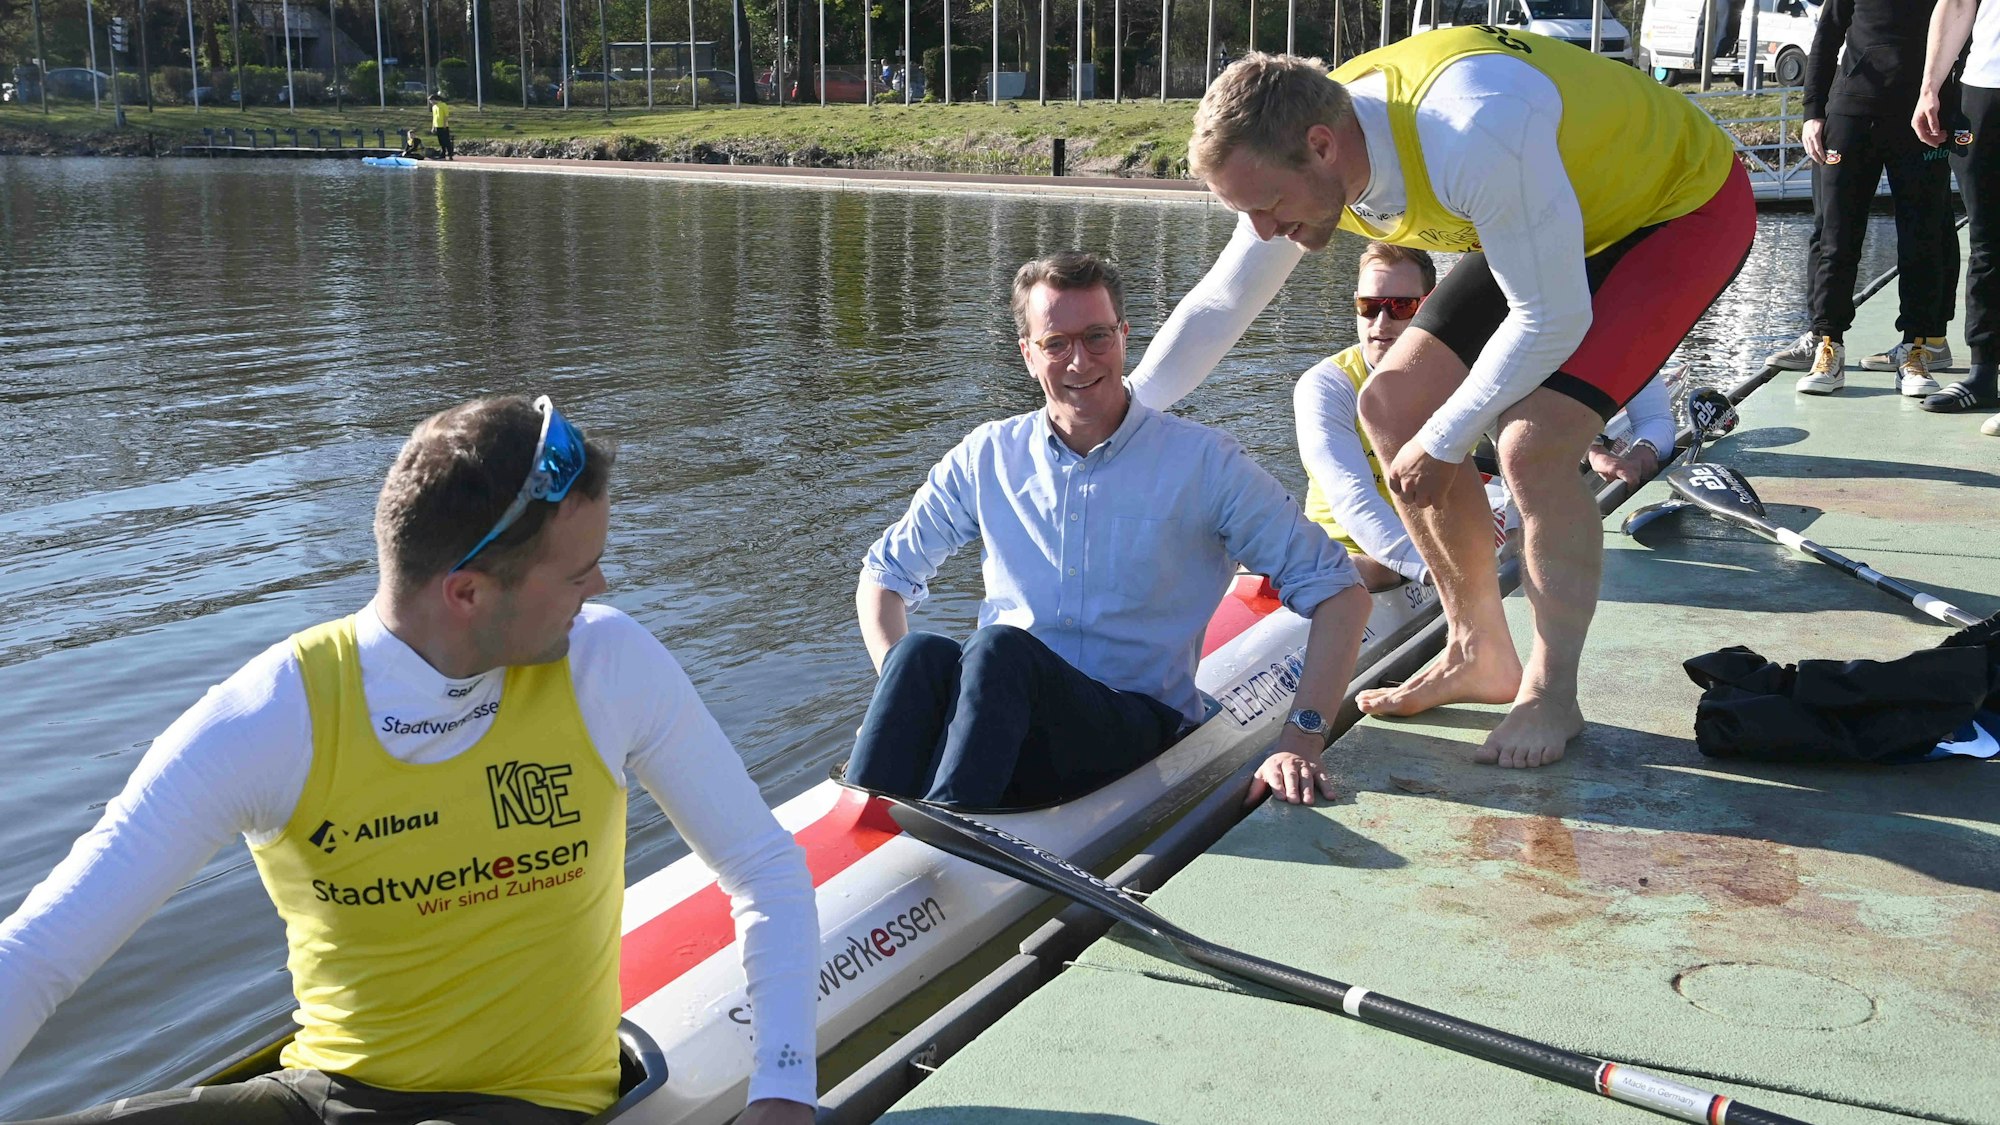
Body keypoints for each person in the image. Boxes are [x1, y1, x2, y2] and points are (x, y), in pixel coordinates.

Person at [0, 396, 817, 1125]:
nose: (600, 584)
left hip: (532, 1101)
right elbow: (37, 954)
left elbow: (764, 868)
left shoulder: (608, 665)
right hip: (326, 1094)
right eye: (576, 571)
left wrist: (784, 1089)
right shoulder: (269, 718)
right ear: (467, 592)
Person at [1130, 35, 1754, 769]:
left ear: (1323, 146)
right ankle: (1477, 651)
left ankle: (1552, 693)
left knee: (1533, 444)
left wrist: (1448, 437)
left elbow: (1552, 317)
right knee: (1389, 406)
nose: (1264, 230)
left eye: (1267, 206)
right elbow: (1222, 301)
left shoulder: (1471, 129)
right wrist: (1122, 410)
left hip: (1678, 208)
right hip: (1557, 200)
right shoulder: (1291, 147)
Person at [847, 251, 1372, 809]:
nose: (1080, 361)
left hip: (1135, 722)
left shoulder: (1204, 464)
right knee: (919, 655)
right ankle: (869, 808)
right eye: (1056, 343)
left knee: (998, 651)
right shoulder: (987, 456)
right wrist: (905, 703)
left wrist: (1301, 739)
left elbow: (1341, 593)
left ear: (1123, 336)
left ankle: (950, 826)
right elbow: (884, 576)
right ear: (1028, 354)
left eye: (1096, 337)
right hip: (1006, 706)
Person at [1298, 241, 1680, 594]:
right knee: (1370, 568)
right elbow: (1351, 497)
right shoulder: (1326, 385)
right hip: (1350, 551)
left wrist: (1516, 533)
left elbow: (1514, 452)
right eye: (1369, 307)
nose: (1381, 324)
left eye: (1400, 307)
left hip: (1432, 548)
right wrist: (1436, 572)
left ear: (1429, 307)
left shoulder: (1465, 373)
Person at [1764, 0, 1961, 399]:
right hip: (1851, 112)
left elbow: (1964, 32)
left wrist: (1956, 109)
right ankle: (1827, 344)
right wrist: (1813, 111)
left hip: (1923, 115)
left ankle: (1917, 349)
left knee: (1923, 237)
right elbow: (1827, 35)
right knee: (1834, 234)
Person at [1917, 0, 2000, 432]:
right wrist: (1930, 87)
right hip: (1983, 88)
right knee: (1987, 242)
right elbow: (1957, 5)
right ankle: (1983, 374)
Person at [429, 93, 455, 161]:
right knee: (441, 141)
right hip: (437, 126)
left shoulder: (443, 105)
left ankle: (450, 154)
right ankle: (443, 154)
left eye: (431, 101)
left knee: (446, 141)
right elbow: (434, 117)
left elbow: (446, 115)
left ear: (434, 99)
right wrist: (433, 127)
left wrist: (444, 124)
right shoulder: (434, 107)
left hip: (443, 126)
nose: (431, 102)